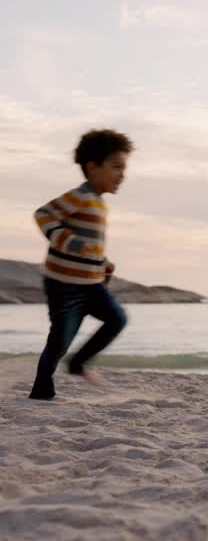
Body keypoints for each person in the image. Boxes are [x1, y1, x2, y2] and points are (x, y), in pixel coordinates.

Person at [28, 129, 133, 400]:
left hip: (91, 284)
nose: (122, 174)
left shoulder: (98, 203)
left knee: (117, 319)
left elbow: (89, 246)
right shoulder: (81, 196)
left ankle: (78, 363)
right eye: (116, 167)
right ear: (92, 167)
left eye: (124, 168)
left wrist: (102, 262)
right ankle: (42, 388)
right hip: (64, 285)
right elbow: (44, 214)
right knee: (60, 340)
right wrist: (66, 240)